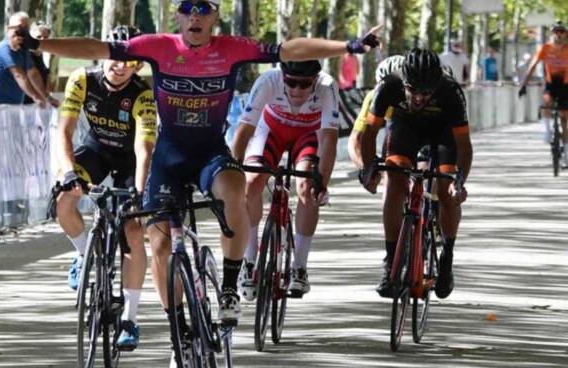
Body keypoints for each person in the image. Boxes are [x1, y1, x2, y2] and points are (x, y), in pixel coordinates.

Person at [19, 0, 380, 364]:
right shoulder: (157, 46)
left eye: (204, 8)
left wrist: (348, 46)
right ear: (178, 15)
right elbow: (95, 48)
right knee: (158, 244)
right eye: (187, 7)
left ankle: (229, 287)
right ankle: (178, 331)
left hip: (210, 153)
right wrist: (40, 46)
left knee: (236, 188)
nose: (195, 14)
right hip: (168, 158)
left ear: (214, 17)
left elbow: (290, 49)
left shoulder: (231, 49)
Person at [54, 25, 156, 351]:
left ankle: (130, 318)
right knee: (63, 199)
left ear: (137, 64)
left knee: (134, 231)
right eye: (114, 57)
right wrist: (70, 173)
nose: (119, 64)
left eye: (128, 60)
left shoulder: (142, 93)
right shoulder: (83, 79)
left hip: (129, 162)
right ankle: (85, 256)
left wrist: (139, 192)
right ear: (103, 55)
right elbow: (64, 132)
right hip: (94, 151)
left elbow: (144, 148)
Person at [360, 48, 472, 300]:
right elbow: (368, 133)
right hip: (405, 128)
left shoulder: (451, 90)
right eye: (412, 90)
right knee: (395, 185)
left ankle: (447, 258)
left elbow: (463, 145)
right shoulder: (389, 85)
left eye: (426, 92)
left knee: (446, 190)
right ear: (404, 82)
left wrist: (459, 181)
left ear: (436, 86)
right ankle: (391, 262)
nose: (419, 98)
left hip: (442, 133)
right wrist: (369, 168)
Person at [231, 60, 339, 299]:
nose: (297, 90)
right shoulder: (268, 80)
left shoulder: (327, 85)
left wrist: (323, 181)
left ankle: (299, 266)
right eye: (291, 82)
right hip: (270, 130)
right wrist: (233, 167)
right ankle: (249, 261)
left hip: (307, 134)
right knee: (252, 181)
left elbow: (330, 139)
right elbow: (245, 127)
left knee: (306, 188)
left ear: (316, 80)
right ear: (283, 76)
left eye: (304, 84)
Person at [518, 21, 567, 164]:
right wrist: (524, 85)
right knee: (546, 102)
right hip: (551, 84)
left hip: (565, 86)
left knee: (564, 119)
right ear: (553, 33)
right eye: (556, 31)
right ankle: (547, 130)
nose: (558, 34)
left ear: (565, 34)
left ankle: (566, 154)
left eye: (561, 31)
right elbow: (533, 65)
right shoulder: (546, 48)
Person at [0, 12, 58, 107]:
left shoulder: (24, 48)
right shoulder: (4, 47)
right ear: (9, 29)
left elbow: (32, 73)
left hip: (16, 105)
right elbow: (19, 75)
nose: (23, 31)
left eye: (26, 28)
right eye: (19, 27)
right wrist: (36, 97)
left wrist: (46, 97)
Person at [348, 55, 404, 167]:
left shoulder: (418, 93)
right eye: (386, 90)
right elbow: (356, 138)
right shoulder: (373, 96)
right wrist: (366, 168)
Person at [23, 21, 52, 104]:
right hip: (26, 105)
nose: (43, 40)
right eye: (39, 37)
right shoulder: (26, 57)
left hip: (39, 104)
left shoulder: (43, 57)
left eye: (46, 37)